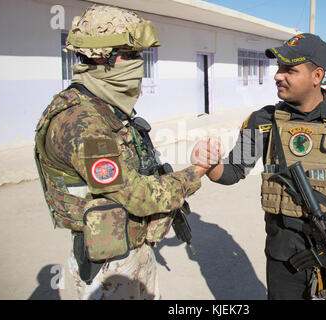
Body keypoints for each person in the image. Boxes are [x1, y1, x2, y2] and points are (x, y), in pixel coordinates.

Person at [34, 5, 219, 300]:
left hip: (133, 251)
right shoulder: (82, 122)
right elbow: (136, 195)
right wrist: (195, 171)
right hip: (109, 266)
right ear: (100, 57)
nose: (139, 65)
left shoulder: (105, 108)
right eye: (131, 56)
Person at [195, 33, 326, 300]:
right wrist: (211, 164)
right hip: (284, 256)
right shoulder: (263, 120)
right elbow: (232, 171)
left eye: (290, 69)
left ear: (317, 76)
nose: (278, 75)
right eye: (279, 68)